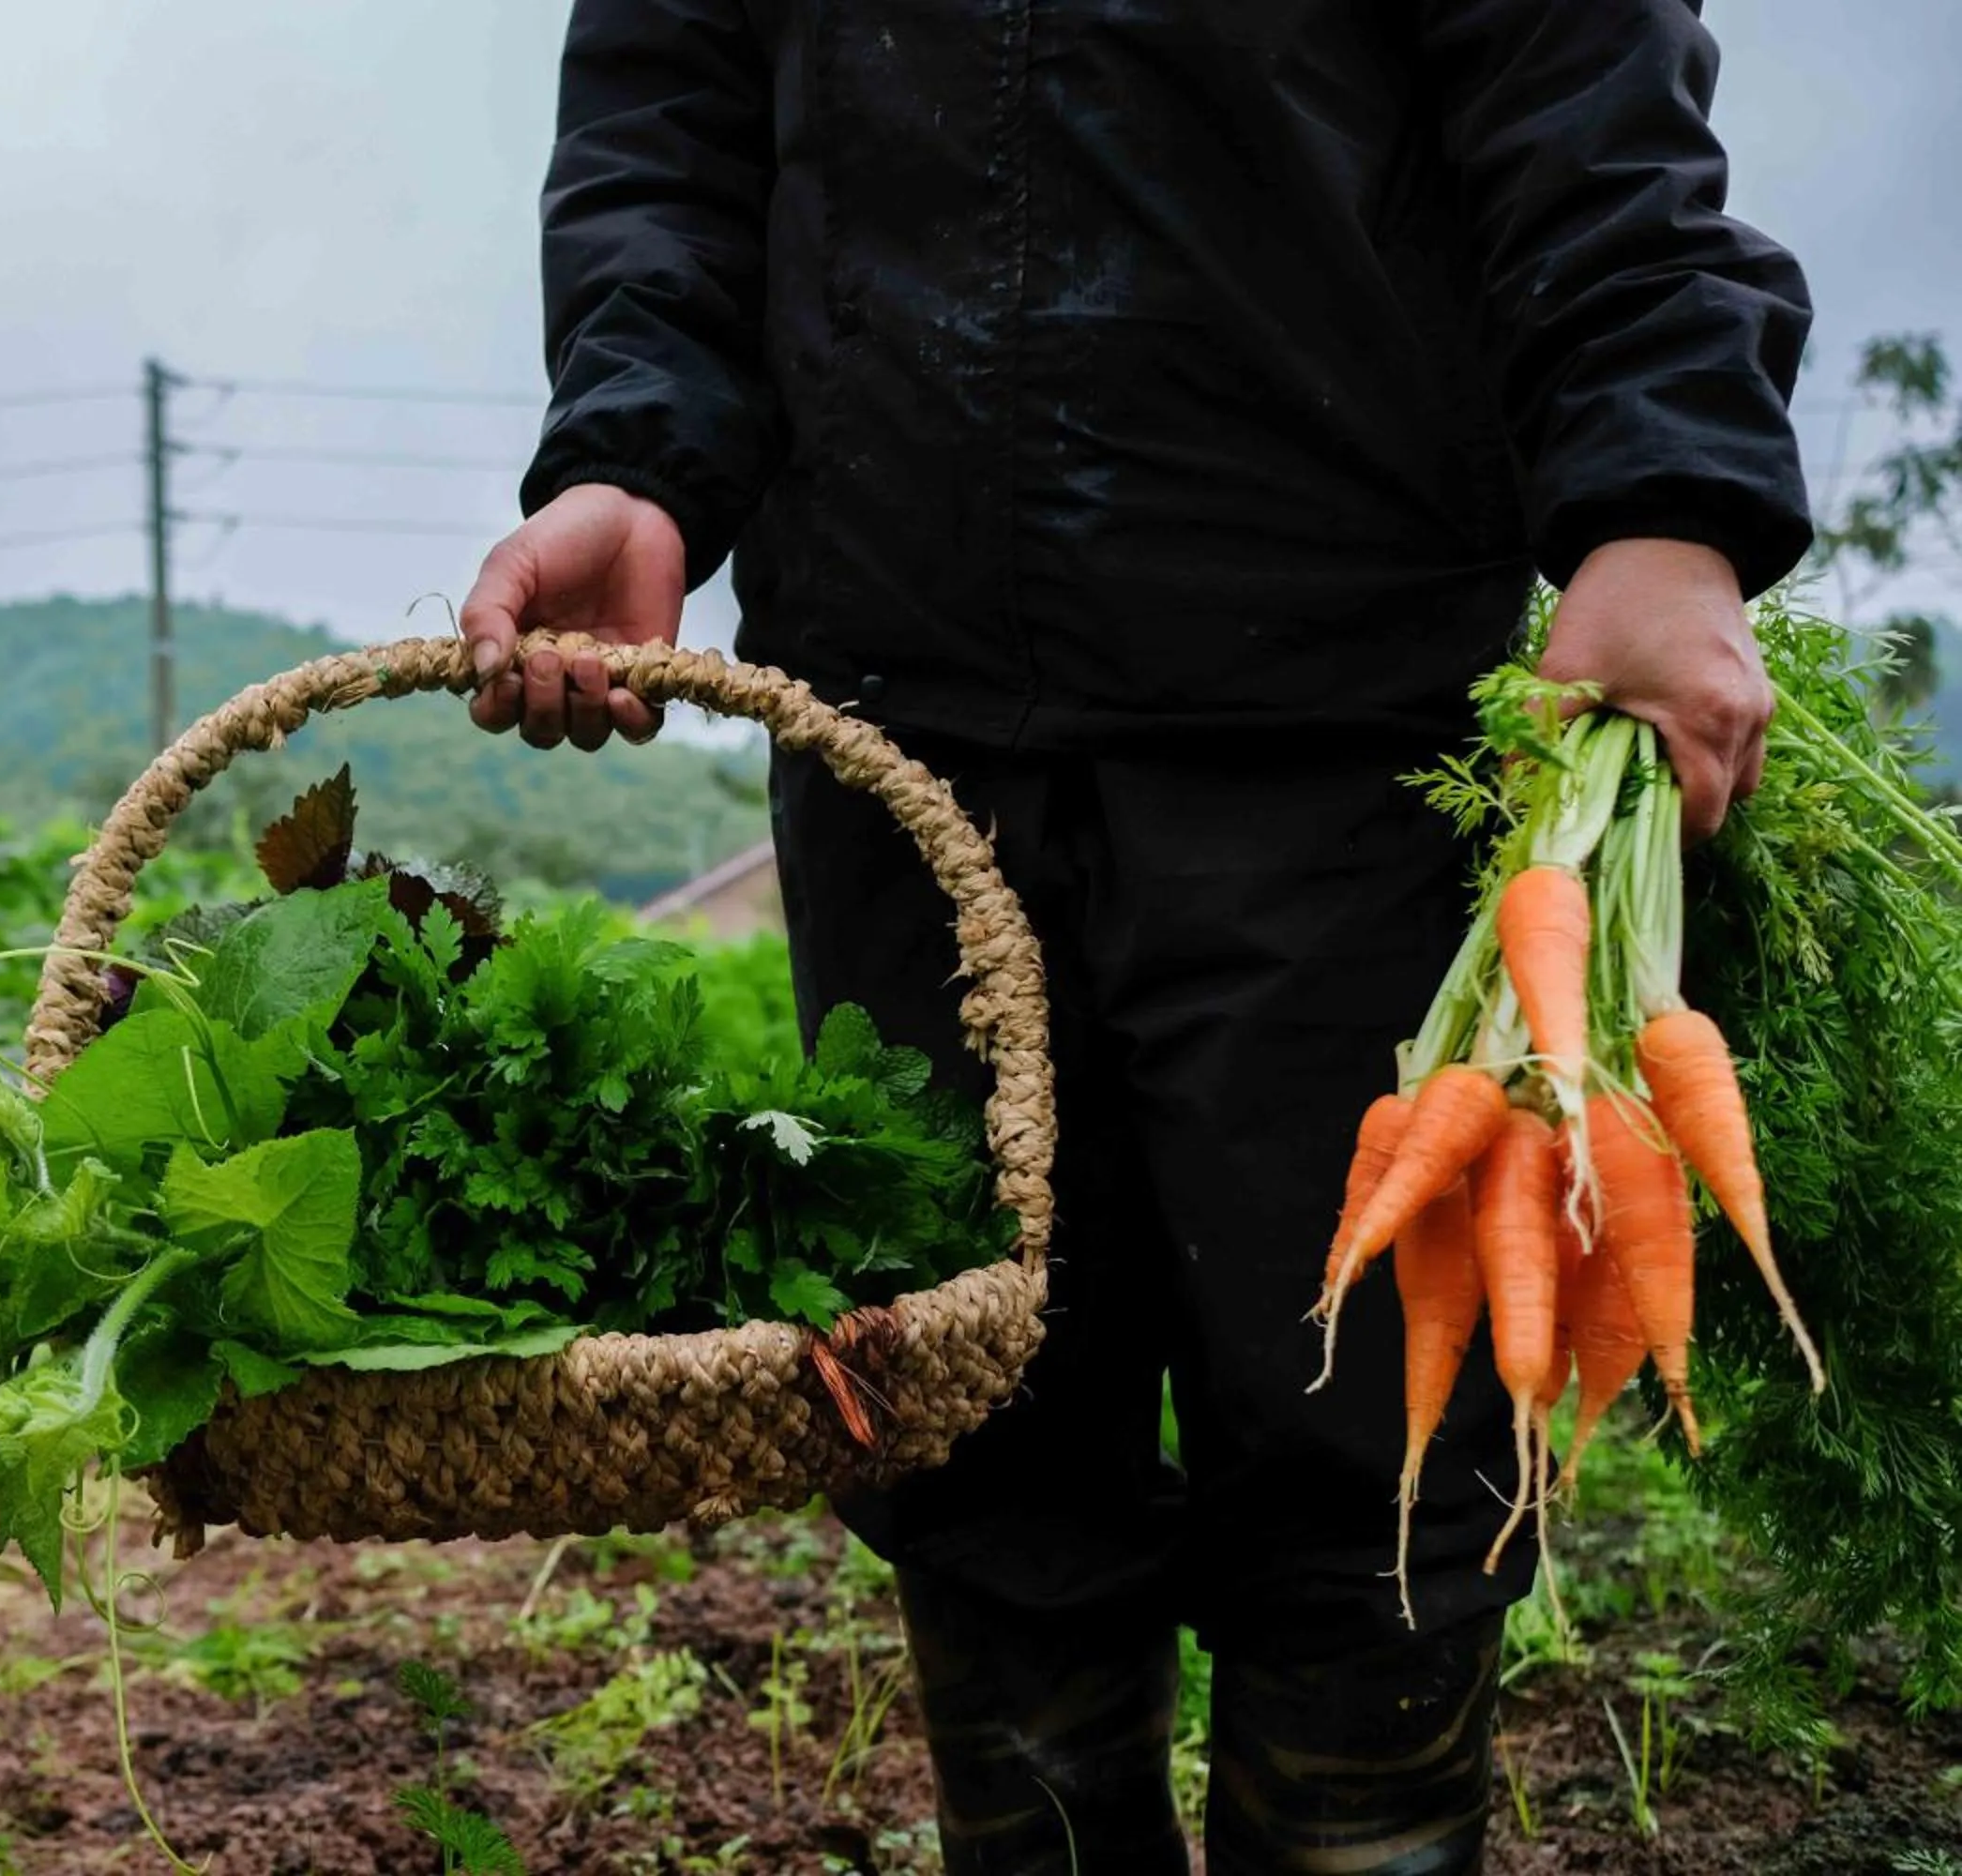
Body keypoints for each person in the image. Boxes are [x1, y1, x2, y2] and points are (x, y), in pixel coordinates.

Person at [454, 4, 1812, 1872]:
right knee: (966, 1413)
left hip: (1337, 722)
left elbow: (1586, 98)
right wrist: (638, 451)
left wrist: (1667, 501)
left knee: (1373, 1460)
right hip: (896, 728)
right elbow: (670, 125)